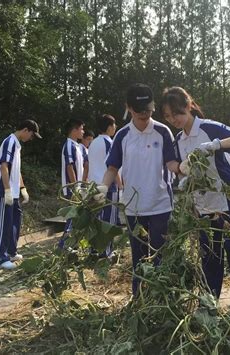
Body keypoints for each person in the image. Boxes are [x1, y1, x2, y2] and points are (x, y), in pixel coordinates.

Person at [161, 86, 230, 314]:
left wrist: (217, 145)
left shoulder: (207, 128)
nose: (173, 119)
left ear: (188, 106)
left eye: (177, 113)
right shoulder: (178, 140)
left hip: (229, 201)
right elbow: (175, 165)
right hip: (203, 206)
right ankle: (209, 304)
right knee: (210, 257)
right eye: (167, 116)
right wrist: (181, 170)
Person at [95, 83, 180, 295]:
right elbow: (113, 167)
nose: (145, 116)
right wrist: (103, 188)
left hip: (160, 204)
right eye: (140, 113)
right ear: (129, 108)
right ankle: (139, 299)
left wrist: (183, 168)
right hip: (134, 207)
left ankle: (161, 298)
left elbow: (171, 163)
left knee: (160, 254)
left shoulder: (162, 131)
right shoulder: (123, 136)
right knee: (139, 258)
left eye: (149, 112)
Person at [0, 120, 42, 269]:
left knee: (15, 219)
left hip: (13, 190)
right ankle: (0, 258)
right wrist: (7, 190)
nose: (31, 139)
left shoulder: (17, 145)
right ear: (25, 130)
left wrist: (22, 188)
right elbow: (4, 167)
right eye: (31, 135)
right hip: (3, 189)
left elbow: (16, 169)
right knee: (3, 222)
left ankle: (11, 251)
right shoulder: (9, 142)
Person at [88, 115, 120, 256]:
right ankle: (106, 252)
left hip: (93, 186)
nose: (115, 127)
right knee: (108, 221)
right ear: (108, 127)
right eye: (113, 125)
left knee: (95, 220)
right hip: (107, 186)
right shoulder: (109, 142)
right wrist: (121, 184)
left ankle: (94, 249)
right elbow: (112, 166)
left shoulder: (93, 142)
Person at [59, 118, 85, 247]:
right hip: (72, 188)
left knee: (75, 217)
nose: (83, 132)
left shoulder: (77, 146)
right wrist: (75, 187)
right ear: (74, 130)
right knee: (72, 216)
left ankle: (71, 245)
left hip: (77, 187)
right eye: (81, 129)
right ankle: (63, 246)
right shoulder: (69, 145)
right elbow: (70, 167)